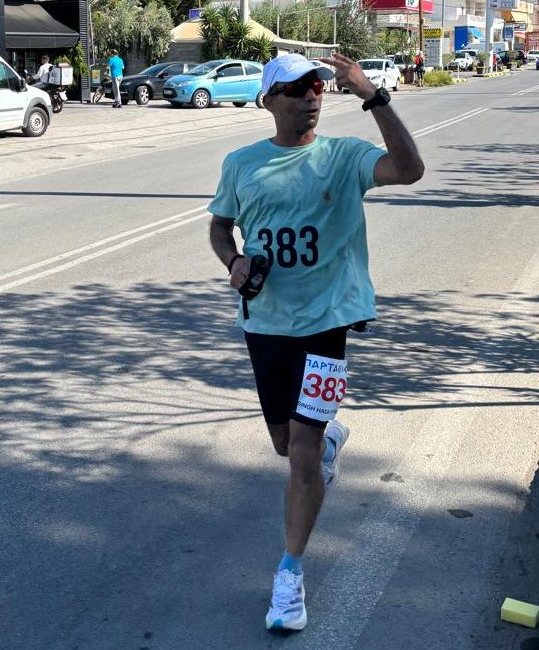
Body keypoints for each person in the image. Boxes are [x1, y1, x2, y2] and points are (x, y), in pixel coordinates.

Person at [208, 53, 424, 634]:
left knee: (302, 450)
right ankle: (328, 444)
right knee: (286, 444)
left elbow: (409, 169)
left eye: (318, 87)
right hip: (265, 324)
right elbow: (219, 226)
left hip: (329, 323)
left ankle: (290, 574)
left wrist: (374, 95)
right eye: (298, 87)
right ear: (269, 100)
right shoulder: (241, 164)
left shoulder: (344, 156)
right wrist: (233, 261)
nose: (312, 95)